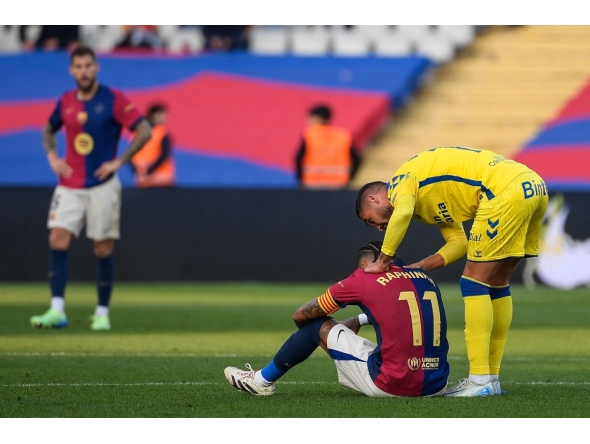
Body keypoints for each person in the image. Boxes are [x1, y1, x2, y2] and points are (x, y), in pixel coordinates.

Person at [355, 146, 549, 396]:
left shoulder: (400, 182)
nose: (378, 228)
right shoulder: (429, 198)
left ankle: (480, 381)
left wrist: (382, 261)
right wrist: (421, 266)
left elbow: (401, 213)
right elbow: (459, 242)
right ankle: (491, 379)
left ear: (373, 199)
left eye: (370, 220)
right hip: (532, 186)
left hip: (502, 191)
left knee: (473, 283)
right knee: (498, 283)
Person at [224, 240, 450, 397]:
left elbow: (300, 315)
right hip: (437, 383)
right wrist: (360, 320)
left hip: (394, 384)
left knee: (315, 325)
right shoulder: (422, 277)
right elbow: (404, 311)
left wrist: (319, 332)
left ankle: (261, 381)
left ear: (364, 264)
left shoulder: (363, 277)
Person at [30, 46, 152, 331]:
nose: (83, 71)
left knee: (102, 246)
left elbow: (144, 129)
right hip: (70, 183)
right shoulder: (66, 101)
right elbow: (48, 129)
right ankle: (57, 310)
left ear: (96, 67)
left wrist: (119, 161)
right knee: (57, 238)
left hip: (102, 184)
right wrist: (52, 157)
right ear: (71, 70)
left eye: (88, 65)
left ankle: (101, 312)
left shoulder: (113, 99)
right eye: (78, 66)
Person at [295, 104, 361, 189]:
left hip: (312, 185)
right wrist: (349, 177)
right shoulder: (343, 136)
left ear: (317, 118)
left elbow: (298, 158)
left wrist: (301, 180)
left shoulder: (309, 135)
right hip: (339, 186)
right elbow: (357, 159)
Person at [129, 103, 176, 188]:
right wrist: (149, 170)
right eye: (164, 114)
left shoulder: (138, 133)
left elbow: (129, 155)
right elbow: (164, 154)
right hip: (162, 179)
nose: (167, 118)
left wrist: (138, 172)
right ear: (155, 115)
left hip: (143, 179)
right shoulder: (162, 133)